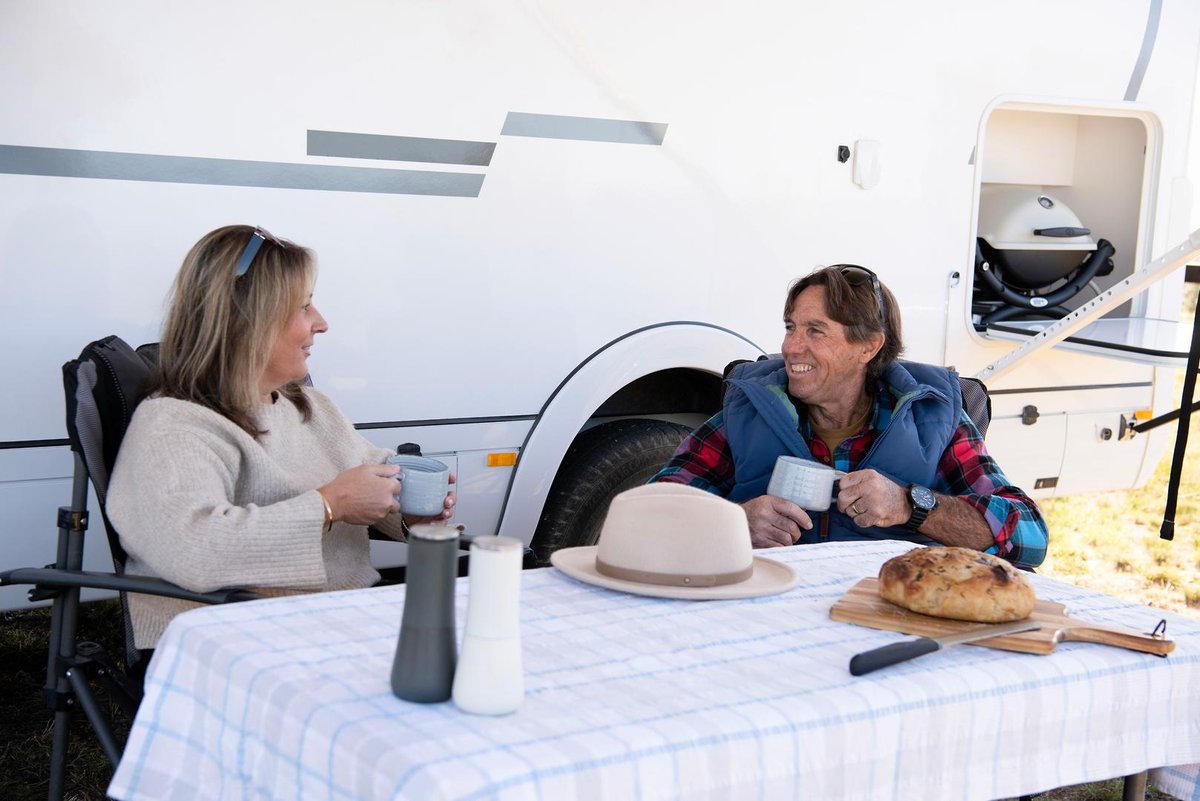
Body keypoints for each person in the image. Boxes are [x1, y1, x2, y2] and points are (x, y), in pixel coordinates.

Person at [108, 225, 455, 648]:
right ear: (247, 322)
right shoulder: (174, 426)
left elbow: (366, 480)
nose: (322, 323)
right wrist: (329, 505)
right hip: (231, 639)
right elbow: (193, 550)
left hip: (336, 621)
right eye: (304, 307)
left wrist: (408, 514)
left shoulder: (308, 406)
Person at [650, 264, 1048, 567]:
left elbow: (1030, 534)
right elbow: (650, 512)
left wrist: (910, 504)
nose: (790, 347)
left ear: (868, 347)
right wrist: (733, 523)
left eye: (815, 331)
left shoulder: (931, 415)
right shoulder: (752, 407)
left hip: (885, 614)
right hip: (765, 612)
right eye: (790, 328)